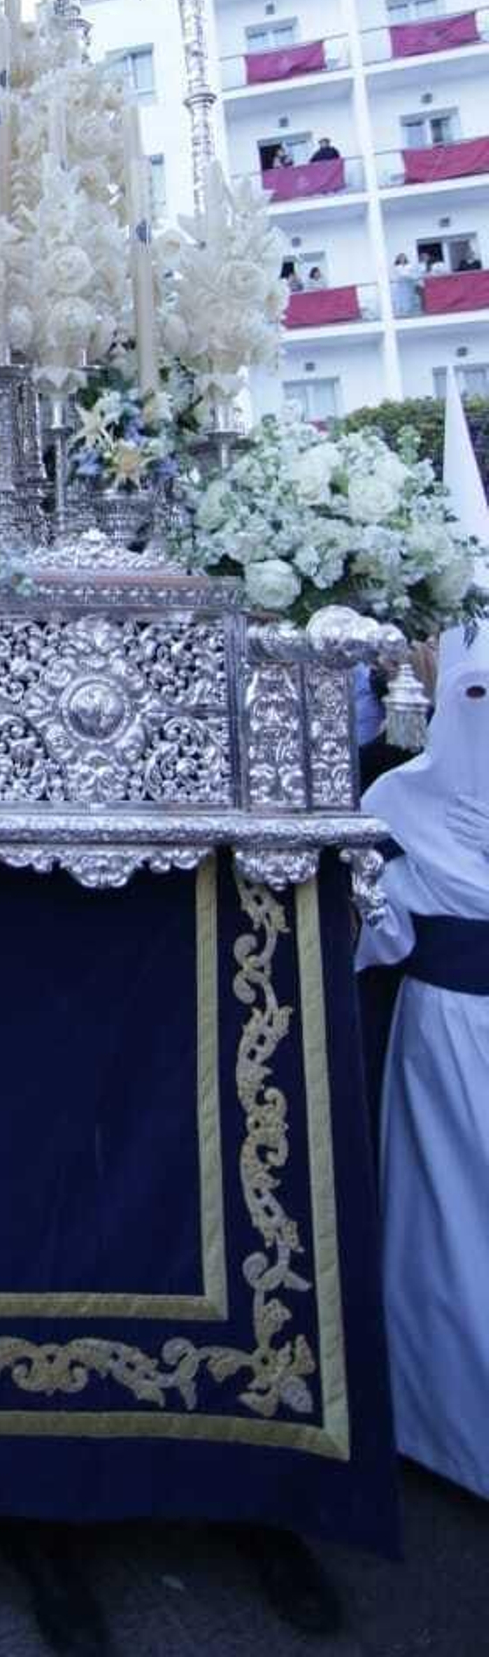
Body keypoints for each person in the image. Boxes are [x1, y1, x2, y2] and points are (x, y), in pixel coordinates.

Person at [358, 636, 489, 1498]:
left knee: (454, 1219)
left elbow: (374, 932)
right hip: (449, 1018)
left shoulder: (409, 803)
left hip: (452, 1028)